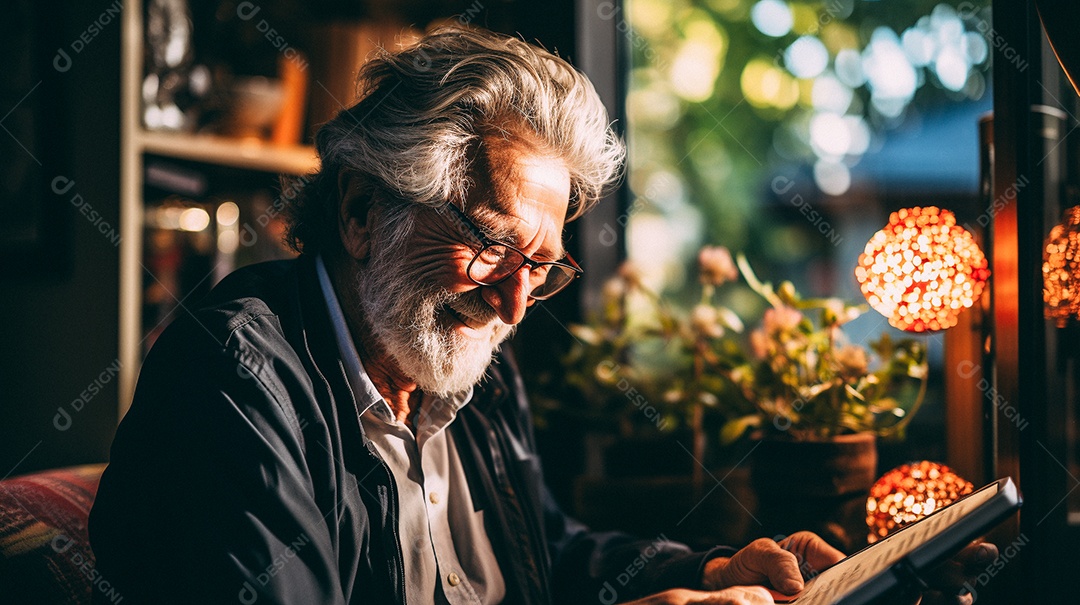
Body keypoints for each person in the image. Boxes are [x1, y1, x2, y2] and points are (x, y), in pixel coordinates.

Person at [89, 26, 992, 605]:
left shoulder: (461, 359)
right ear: (363, 211)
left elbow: (539, 552)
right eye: (489, 244)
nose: (516, 301)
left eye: (544, 266)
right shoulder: (234, 379)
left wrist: (711, 570)